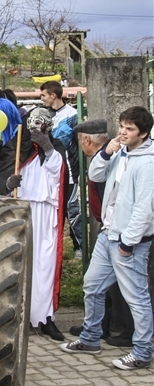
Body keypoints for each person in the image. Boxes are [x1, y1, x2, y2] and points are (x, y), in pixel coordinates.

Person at [61, 107, 154, 371]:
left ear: (143, 134)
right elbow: (96, 175)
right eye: (122, 126)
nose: (123, 132)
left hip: (128, 241)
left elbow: (144, 209)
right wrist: (106, 152)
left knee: (136, 297)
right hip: (108, 235)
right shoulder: (122, 152)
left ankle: (143, 352)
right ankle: (90, 338)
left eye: (130, 129)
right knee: (92, 286)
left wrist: (128, 242)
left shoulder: (148, 163)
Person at [0, 108, 68, 341]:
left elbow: (59, 175)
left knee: (44, 265)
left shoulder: (56, 147)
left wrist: (48, 148)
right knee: (18, 262)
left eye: (44, 126)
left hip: (46, 212)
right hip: (21, 209)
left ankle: (44, 317)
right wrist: (9, 183)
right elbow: (1, 176)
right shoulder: (15, 144)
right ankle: (15, 317)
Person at [68, 119, 134, 346]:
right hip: (107, 227)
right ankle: (99, 328)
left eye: (79, 141)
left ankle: (129, 332)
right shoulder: (104, 158)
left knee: (124, 285)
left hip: (116, 229)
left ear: (86, 140)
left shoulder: (107, 160)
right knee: (100, 284)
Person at [40, 80, 82, 258]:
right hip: (48, 171)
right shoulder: (42, 113)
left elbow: (61, 138)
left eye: (43, 95)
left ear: (53, 95)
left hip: (69, 169)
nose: (41, 99)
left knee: (72, 209)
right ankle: (51, 247)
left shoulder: (72, 114)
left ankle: (79, 246)